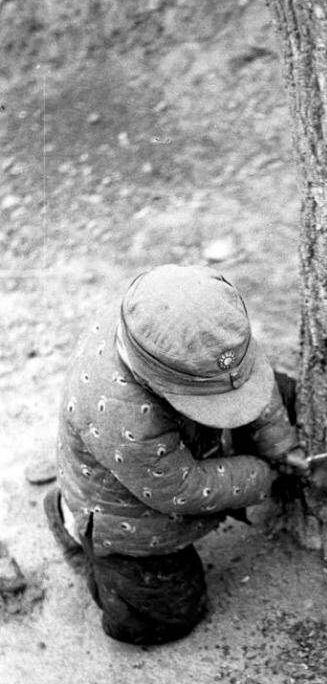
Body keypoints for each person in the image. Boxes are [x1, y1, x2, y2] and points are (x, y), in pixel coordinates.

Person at [44, 264, 307, 645]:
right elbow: (180, 489)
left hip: (180, 444)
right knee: (165, 614)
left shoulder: (210, 330)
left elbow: (251, 375)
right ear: (152, 378)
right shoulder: (121, 412)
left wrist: (281, 444)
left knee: (281, 391)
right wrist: (266, 474)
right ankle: (72, 521)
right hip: (131, 512)